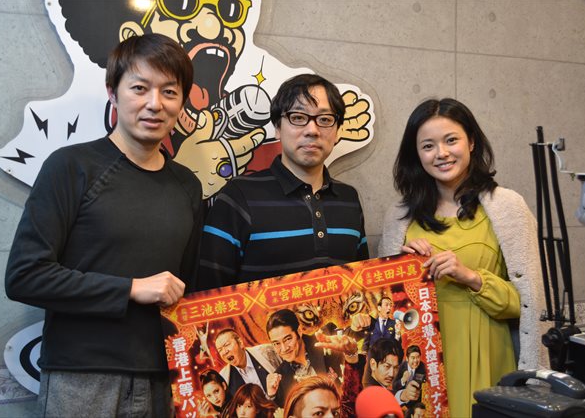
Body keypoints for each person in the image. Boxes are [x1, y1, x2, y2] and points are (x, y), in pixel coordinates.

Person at [4, 34, 202, 417]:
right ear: (113, 92)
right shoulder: (71, 166)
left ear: (182, 103)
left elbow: (187, 287)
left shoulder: (187, 185)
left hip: (164, 376)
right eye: (139, 88)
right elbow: (25, 276)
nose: (155, 104)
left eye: (169, 92)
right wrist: (131, 288)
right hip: (81, 376)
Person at [380, 98, 546, 416]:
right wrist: (401, 271)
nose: (441, 153)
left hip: (489, 352)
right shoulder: (398, 217)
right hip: (424, 363)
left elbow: (528, 305)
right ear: (416, 154)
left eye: (451, 140)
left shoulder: (507, 207)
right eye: (428, 146)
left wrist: (470, 276)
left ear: (471, 141)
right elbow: (388, 311)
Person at [197, 73, 369, 290]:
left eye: (325, 120)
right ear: (278, 128)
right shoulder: (237, 197)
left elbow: (361, 286)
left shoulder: (349, 199)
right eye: (298, 117)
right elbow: (207, 293)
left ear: (337, 131)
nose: (312, 130)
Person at [265, 309, 344, 407]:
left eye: (288, 339)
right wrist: (271, 395)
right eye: (276, 343)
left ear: (299, 331)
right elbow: (282, 410)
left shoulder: (326, 337)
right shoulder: (281, 379)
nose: (284, 349)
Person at [214, 329, 281, 395]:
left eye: (227, 345)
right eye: (220, 350)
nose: (224, 352)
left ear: (240, 343)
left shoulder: (267, 352)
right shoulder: (224, 377)